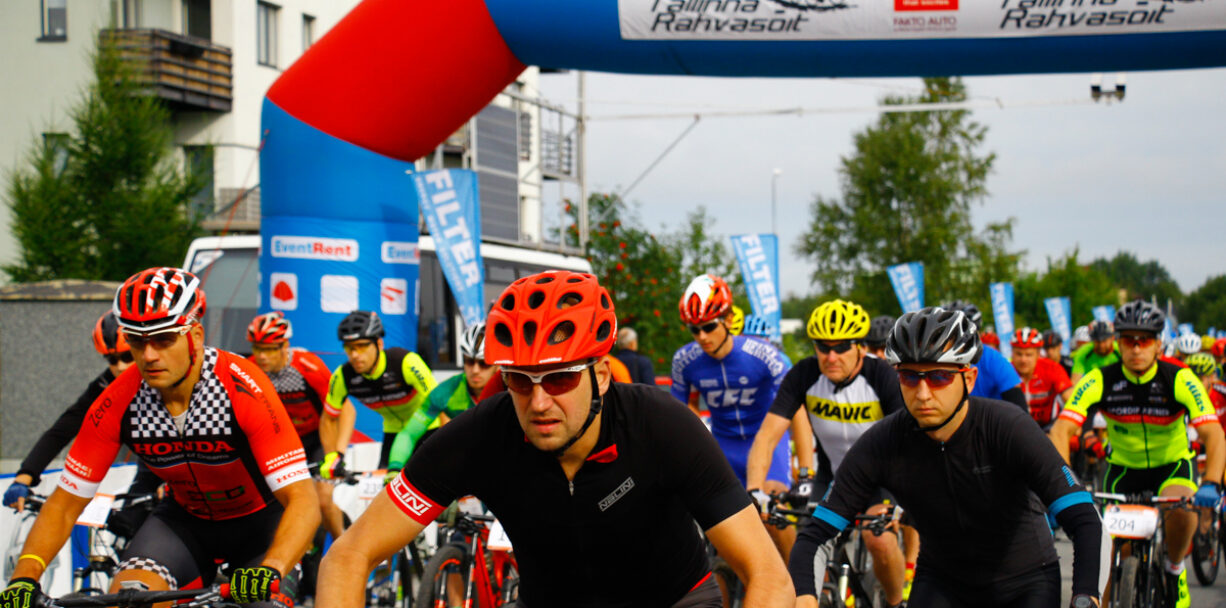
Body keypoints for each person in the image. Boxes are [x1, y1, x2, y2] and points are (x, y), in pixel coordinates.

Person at [317, 270, 794, 607]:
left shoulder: (662, 425)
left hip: (672, 601)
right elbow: (348, 555)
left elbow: (769, 576)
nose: (539, 402)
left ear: (601, 375)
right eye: (519, 381)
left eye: (560, 378)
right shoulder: (480, 435)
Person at [1, 267, 319, 608]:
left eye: (164, 339)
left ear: (195, 335)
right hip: (184, 525)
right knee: (128, 599)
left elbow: (303, 500)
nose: (149, 355)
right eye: (136, 341)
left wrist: (272, 568)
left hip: (261, 527)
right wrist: (24, 579)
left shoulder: (241, 386)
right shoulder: (118, 400)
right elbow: (64, 504)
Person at [790, 306, 1107, 608]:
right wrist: (804, 597)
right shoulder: (882, 442)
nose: (923, 393)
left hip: (1025, 582)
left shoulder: (1008, 427)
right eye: (909, 377)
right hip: (942, 584)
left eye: (939, 377)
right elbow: (815, 536)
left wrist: (1085, 596)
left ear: (968, 378)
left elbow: (1083, 517)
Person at [1049, 300, 1225, 608]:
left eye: (1144, 340)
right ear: (1118, 343)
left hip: (1172, 466)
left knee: (1183, 510)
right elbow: (1062, 430)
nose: (1136, 348)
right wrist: (1062, 485)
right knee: (1110, 556)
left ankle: (1174, 568)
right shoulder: (1100, 378)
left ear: (1158, 345)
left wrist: (1211, 481)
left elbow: (1214, 434)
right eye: (1129, 340)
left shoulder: (1180, 377)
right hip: (1123, 470)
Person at [747, 299, 908, 607]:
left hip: (881, 478)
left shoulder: (882, 376)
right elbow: (767, 437)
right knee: (807, 543)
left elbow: (908, 443)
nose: (831, 356)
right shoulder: (805, 374)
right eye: (823, 347)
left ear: (860, 346)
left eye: (842, 347)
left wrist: (901, 500)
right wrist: (755, 489)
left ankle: (895, 602)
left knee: (879, 540)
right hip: (833, 476)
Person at [670, 274, 803, 558]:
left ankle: (801, 577)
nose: (702, 337)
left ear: (729, 319)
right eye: (694, 329)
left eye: (708, 326)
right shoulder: (684, 361)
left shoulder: (763, 355)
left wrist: (806, 470)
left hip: (766, 444)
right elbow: (678, 415)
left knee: (774, 515)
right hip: (724, 446)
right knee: (724, 534)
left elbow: (797, 410)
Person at [4, 311, 162, 512]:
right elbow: (62, 430)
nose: (120, 366)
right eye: (112, 360)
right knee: (127, 523)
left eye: (127, 356)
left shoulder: (164, 378)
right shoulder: (105, 384)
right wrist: (25, 476)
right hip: (150, 467)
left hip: (186, 466)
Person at [247, 311, 352, 541]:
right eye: (257, 348)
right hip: (286, 441)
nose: (262, 356)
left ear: (285, 346)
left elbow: (345, 410)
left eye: (269, 349)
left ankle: (342, 545)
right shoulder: (251, 369)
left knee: (323, 500)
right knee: (282, 501)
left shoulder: (307, 366)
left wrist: (338, 453)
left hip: (319, 438)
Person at [325, 310, 437, 471]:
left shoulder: (405, 362)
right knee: (385, 481)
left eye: (361, 346)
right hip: (393, 431)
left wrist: (449, 443)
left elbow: (440, 403)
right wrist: (334, 456)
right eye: (349, 348)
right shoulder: (343, 376)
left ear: (379, 344)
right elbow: (329, 418)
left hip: (427, 428)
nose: (355, 355)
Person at [385, 322, 499, 470]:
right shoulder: (446, 392)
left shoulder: (511, 389)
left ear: (497, 364)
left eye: (484, 364)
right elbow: (408, 435)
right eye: (469, 362)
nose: (475, 370)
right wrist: (394, 468)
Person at [941, 300, 1026, 410]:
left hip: (990, 416)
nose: (959, 341)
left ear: (977, 333)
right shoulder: (936, 358)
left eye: (965, 334)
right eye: (952, 335)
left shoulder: (993, 359)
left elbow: (1018, 404)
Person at [1012, 327, 1074, 431]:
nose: (1023, 360)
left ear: (1038, 354)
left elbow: (1071, 400)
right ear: (1012, 353)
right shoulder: (1006, 370)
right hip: (1015, 427)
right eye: (1019, 354)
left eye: (1029, 355)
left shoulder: (1052, 368)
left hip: (1048, 426)